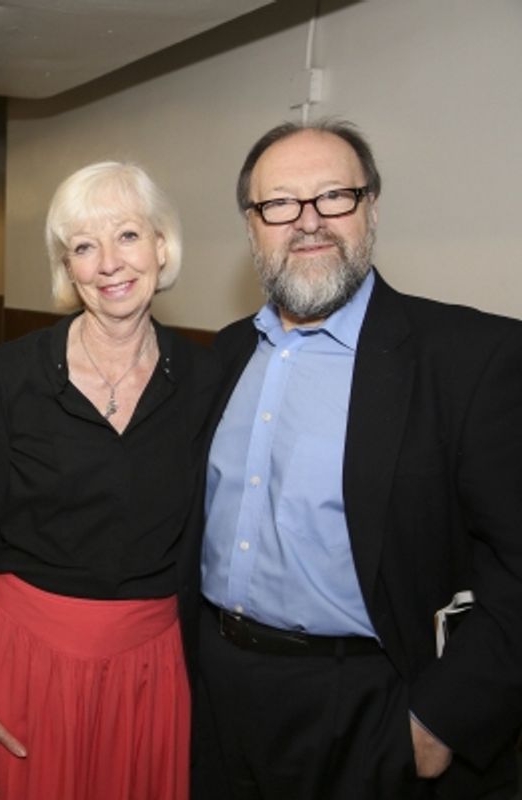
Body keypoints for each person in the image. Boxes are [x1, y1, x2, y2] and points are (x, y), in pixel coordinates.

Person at [191, 119, 522, 799]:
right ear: (252, 226)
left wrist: (444, 719)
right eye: (280, 204)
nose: (308, 222)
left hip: (371, 705)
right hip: (218, 691)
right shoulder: (223, 356)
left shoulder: (470, 359)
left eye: (334, 196)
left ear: (371, 207)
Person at [0, 161, 219, 799]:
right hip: (24, 667)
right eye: (83, 247)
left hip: (151, 671)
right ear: (67, 269)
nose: (109, 264)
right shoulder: (10, 375)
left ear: (161, 246)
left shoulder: (207, 380)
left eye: (127, 236)